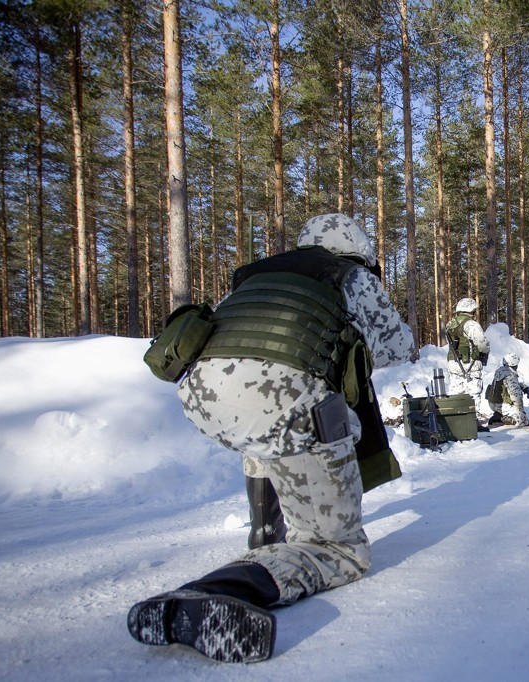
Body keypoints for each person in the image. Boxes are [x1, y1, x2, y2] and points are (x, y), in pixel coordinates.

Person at [127, 213, 414, 664]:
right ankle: (213, 591)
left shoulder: (255, 275)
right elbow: (399, 345)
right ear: (354, 248)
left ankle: (266, 533)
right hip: (285, 400)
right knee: (337, 549)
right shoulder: (351, 275)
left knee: (269, 423)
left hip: (202, 396)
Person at [444, 297, 490, 413]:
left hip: (454, 362)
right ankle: (473, 419)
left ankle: (457, 418)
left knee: (456, 391)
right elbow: (481, 344)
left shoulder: (451, 324)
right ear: (471, 310)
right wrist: (485, 351)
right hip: (470, 363)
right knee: (474, 391)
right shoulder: (471, 324)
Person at [486, 353, 529, 427]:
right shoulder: (510, 375)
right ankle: (501, 418)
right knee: (523, 420)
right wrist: (520, 411)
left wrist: (523, 387)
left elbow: (506, 385)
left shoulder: (500, 371)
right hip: (502, 405)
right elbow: (516, 395)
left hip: (492, 404)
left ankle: (498, 414)